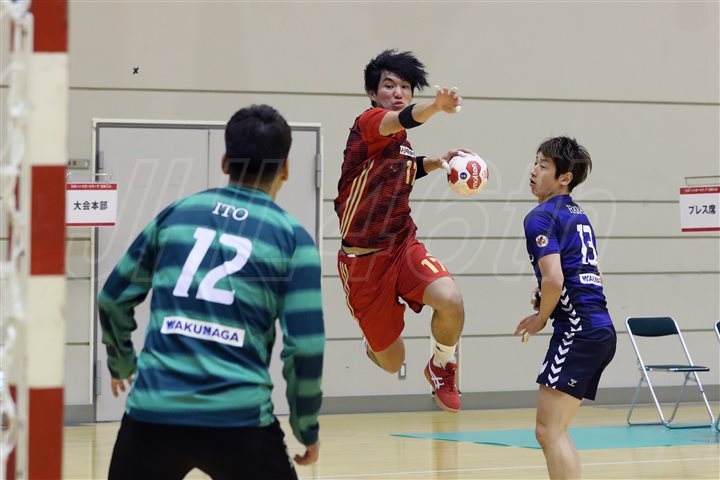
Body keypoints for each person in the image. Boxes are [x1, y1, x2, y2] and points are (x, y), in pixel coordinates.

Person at [98, 104, 325, 480]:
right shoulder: (293, 240)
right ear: (286, 168)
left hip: (153, 414)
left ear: (225, 162)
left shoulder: (176, 215)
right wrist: (306, 426)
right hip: (240, 419)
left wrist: (122, 363)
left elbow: (112, 298)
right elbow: (306, 347)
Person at [334, 49, 466, 413]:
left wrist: (433, 163)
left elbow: (401, 167)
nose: (398, 93)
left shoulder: (400, 142)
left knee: (451, 300)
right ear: (373, 93)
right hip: (363, 263)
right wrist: (436, 106)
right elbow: (405, 117)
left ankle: (442, 365)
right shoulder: (369, 123)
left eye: (405, 87)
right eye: (389, 86)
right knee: (392, 362)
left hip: (402, 244)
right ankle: (373, 343)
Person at [514, 136, 617, 479]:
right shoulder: (579, 215)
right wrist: (546, 293)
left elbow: (554, 279)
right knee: (554, 431)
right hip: (600, 328)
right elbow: (593, 273)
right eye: (535, 163)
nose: (534, 171)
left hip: (577, 331)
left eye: (543, 166)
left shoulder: (540, 217)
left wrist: (541, 317)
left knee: (548, 431)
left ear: (565, 178)